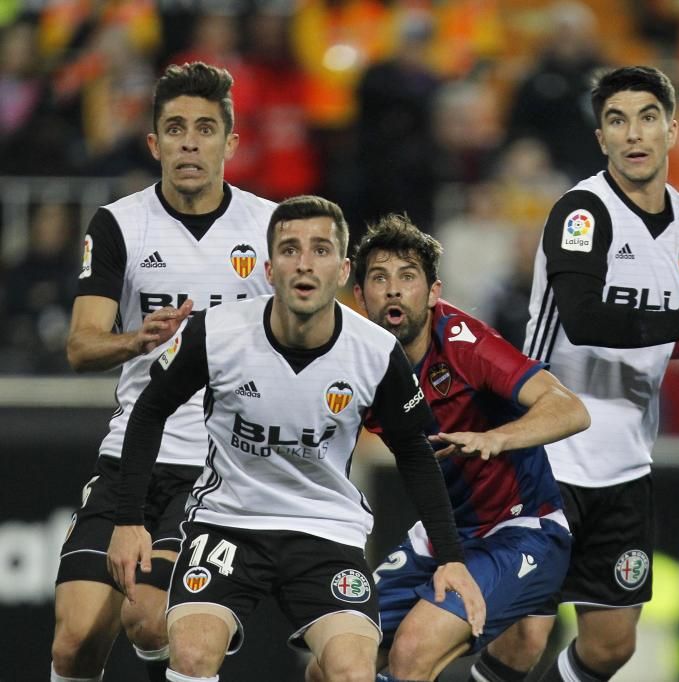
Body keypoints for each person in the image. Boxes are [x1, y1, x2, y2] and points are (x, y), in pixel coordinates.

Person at [106, 195, 486, 682]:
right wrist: (128, 519)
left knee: (352, 673)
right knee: (193, 655)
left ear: (344, 269)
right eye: (289, 249)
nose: (304, 263)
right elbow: (150, 410)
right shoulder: (218, 332)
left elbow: (414, 451)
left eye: (321, 249)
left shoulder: (374, 351)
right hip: (228, 522)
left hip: (324, 528)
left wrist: (451, 559)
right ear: (268, 268)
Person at [485, 65, 679, 682]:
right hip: (546, 451)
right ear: (602, 139)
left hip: (624, 463)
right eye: (617, 121)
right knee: (524, 635)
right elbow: (586, 318)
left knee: (612, 645)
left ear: (673, 129)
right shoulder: (581, 212)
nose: (633, 134)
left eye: (647, 118)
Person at [51, 62, 277, 682]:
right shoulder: (120, 224)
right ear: (153, 143)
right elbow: (80, 346)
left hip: (220, 465)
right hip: (134, 452)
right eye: (174, 128)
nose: (189, 141)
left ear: (230, 143)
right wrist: (136, 339)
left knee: (151, 620)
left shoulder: (270, 228)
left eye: (205, 128)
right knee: (73, 640)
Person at [325, 214, 589, 682]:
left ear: (432, 293)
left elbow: (569, 410)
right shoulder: (351, 360)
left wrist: (495, 437)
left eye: (408, 277)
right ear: (359, 296)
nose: (393, 291)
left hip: (521, 527)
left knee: (411, 655)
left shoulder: (466, 346)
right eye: (379, 278)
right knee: (333, 665)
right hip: (441, 534)